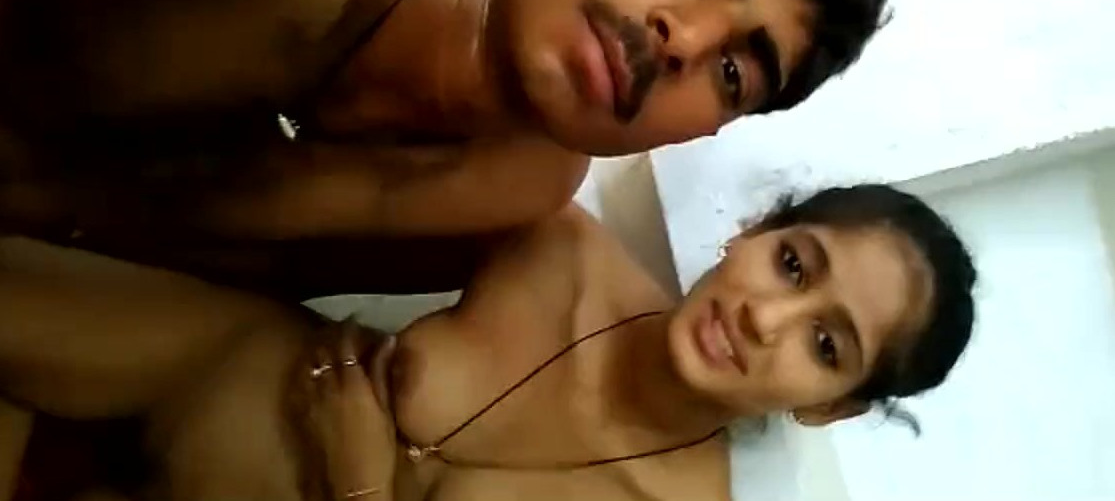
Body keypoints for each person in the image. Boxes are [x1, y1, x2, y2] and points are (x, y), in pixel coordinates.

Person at [0, 0, 890, 294]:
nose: (682, 40)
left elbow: (221, 262)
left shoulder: (512, 188)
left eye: (732, 73)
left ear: (699, 133)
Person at [0, 184, 975, 501]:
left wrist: (361, 482)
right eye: (793, 264)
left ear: (828, 405)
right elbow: (302, 226)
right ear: (750, 232)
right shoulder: (552, 239)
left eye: (825, 344)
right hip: (210, 372)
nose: (766, 316)